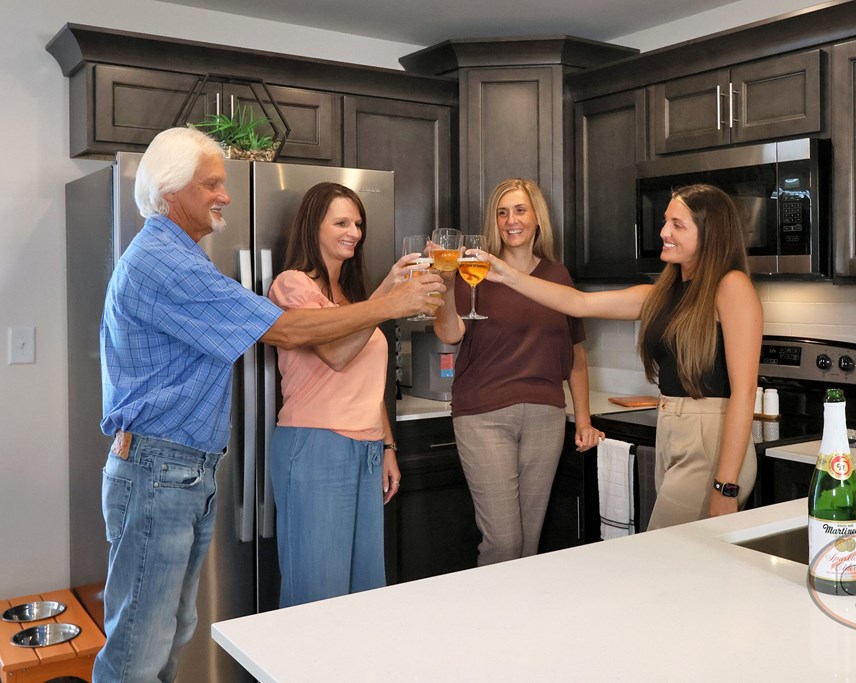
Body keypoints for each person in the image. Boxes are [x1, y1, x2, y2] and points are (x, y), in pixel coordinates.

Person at [95, 127, 441, 683]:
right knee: (140, 646)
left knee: (166, 633)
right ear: (170, 189)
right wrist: (389, 302)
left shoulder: (181, 255)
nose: (225, 196)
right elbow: (283, 330)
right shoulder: (166, 260)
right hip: (161, 467)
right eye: (211, 183)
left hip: (181, 468)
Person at [475, 184, 762, 528]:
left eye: (677, 225)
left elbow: (744, 393)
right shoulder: (666, 293)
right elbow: (579, 303)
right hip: (673, 431)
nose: (663, 232)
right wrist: (506, 275)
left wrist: (726, 486)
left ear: (710, 233)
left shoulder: (731, 287)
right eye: (665, 221)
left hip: (711, 438)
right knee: (684, 565)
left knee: (662, 551)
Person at [433, 178, 604, 566]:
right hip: (483, 415)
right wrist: (445, 283)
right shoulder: (473, 270)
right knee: (504, 542)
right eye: (502, 212)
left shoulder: (558, 276)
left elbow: (576, 354)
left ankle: (518, 625)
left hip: (545, 415)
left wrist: (583, 419)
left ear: (536, 218)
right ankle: (488, 625)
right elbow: (449, 333)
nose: (512, 220)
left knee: (529, 544)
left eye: (520, 210)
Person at [268, 182, 411, 607]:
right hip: (315, 446)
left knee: (363, 593)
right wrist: (389, 299)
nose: (354, 231)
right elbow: (336, 355)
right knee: (317, 594)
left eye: (359, 223)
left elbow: (368, 382)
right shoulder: (292, 285)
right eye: (342, 222)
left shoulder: (352, 298)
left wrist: (386, 445)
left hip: (365, 448)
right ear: (314, 225)